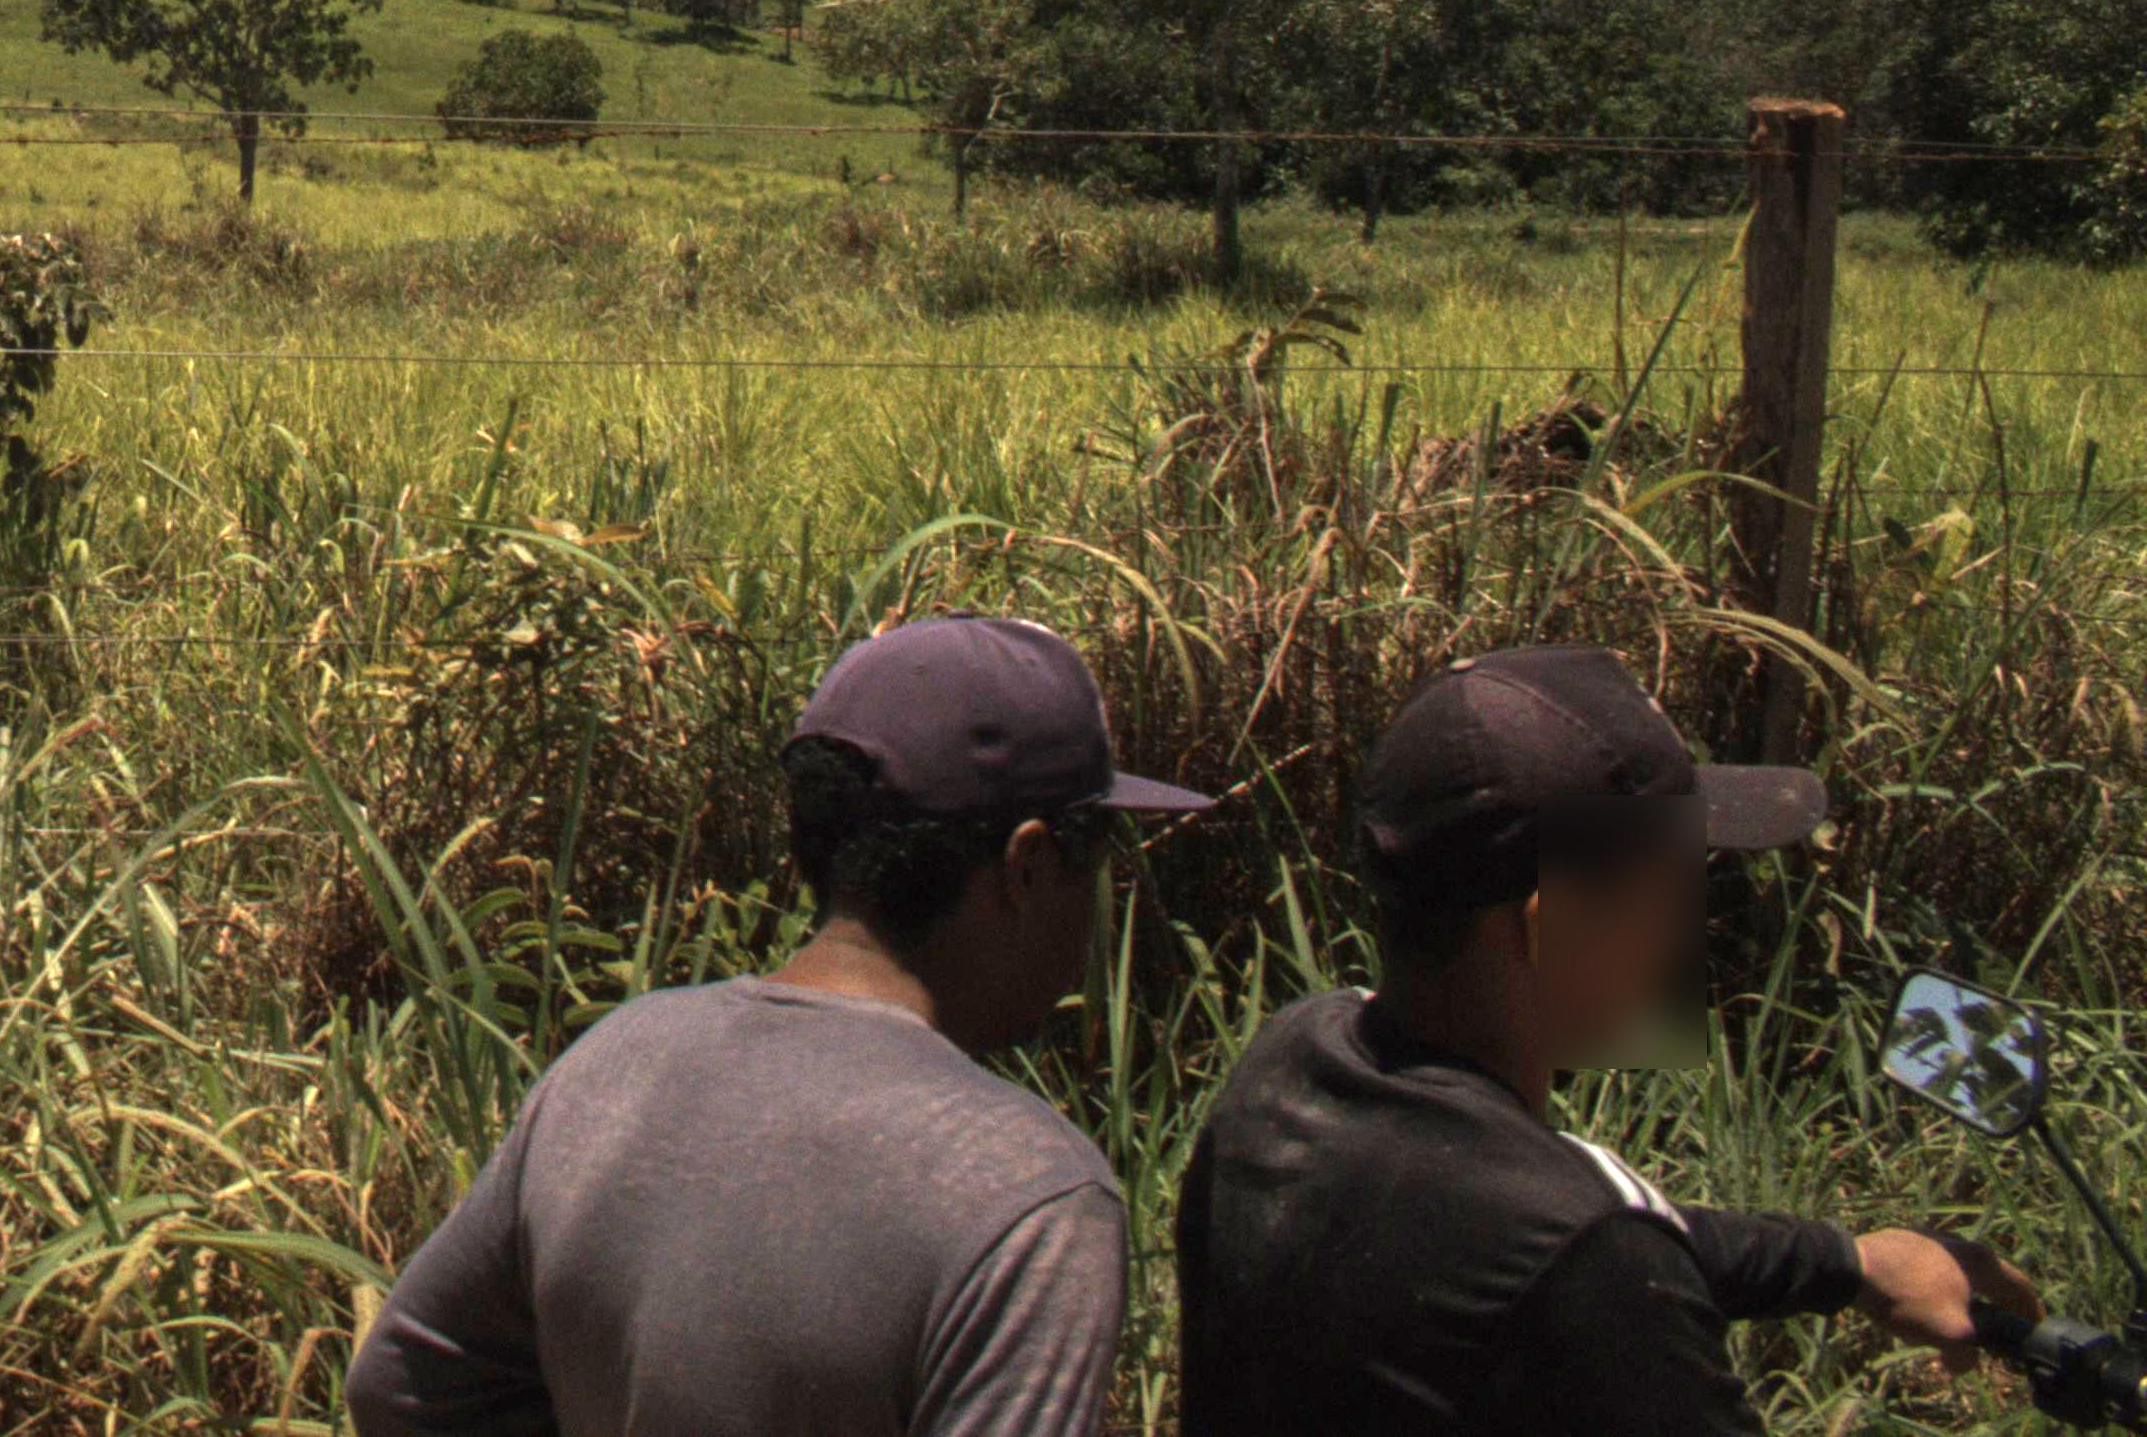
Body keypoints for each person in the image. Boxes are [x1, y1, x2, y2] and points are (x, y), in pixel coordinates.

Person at [347, 613, 1210, 1437]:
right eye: (1100, 855)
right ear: (1027, 866)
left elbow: (404, 1385)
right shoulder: (1026, 1195)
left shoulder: (618, 1061)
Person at [1175, 642, 2034, 1434]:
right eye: (1675, 891)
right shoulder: (1588, 1270)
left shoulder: (1291, 1064)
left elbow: (1544, 1233)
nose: (1685, 936)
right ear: (1552, 921)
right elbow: (1583, 1247)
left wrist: (1850, 1262)